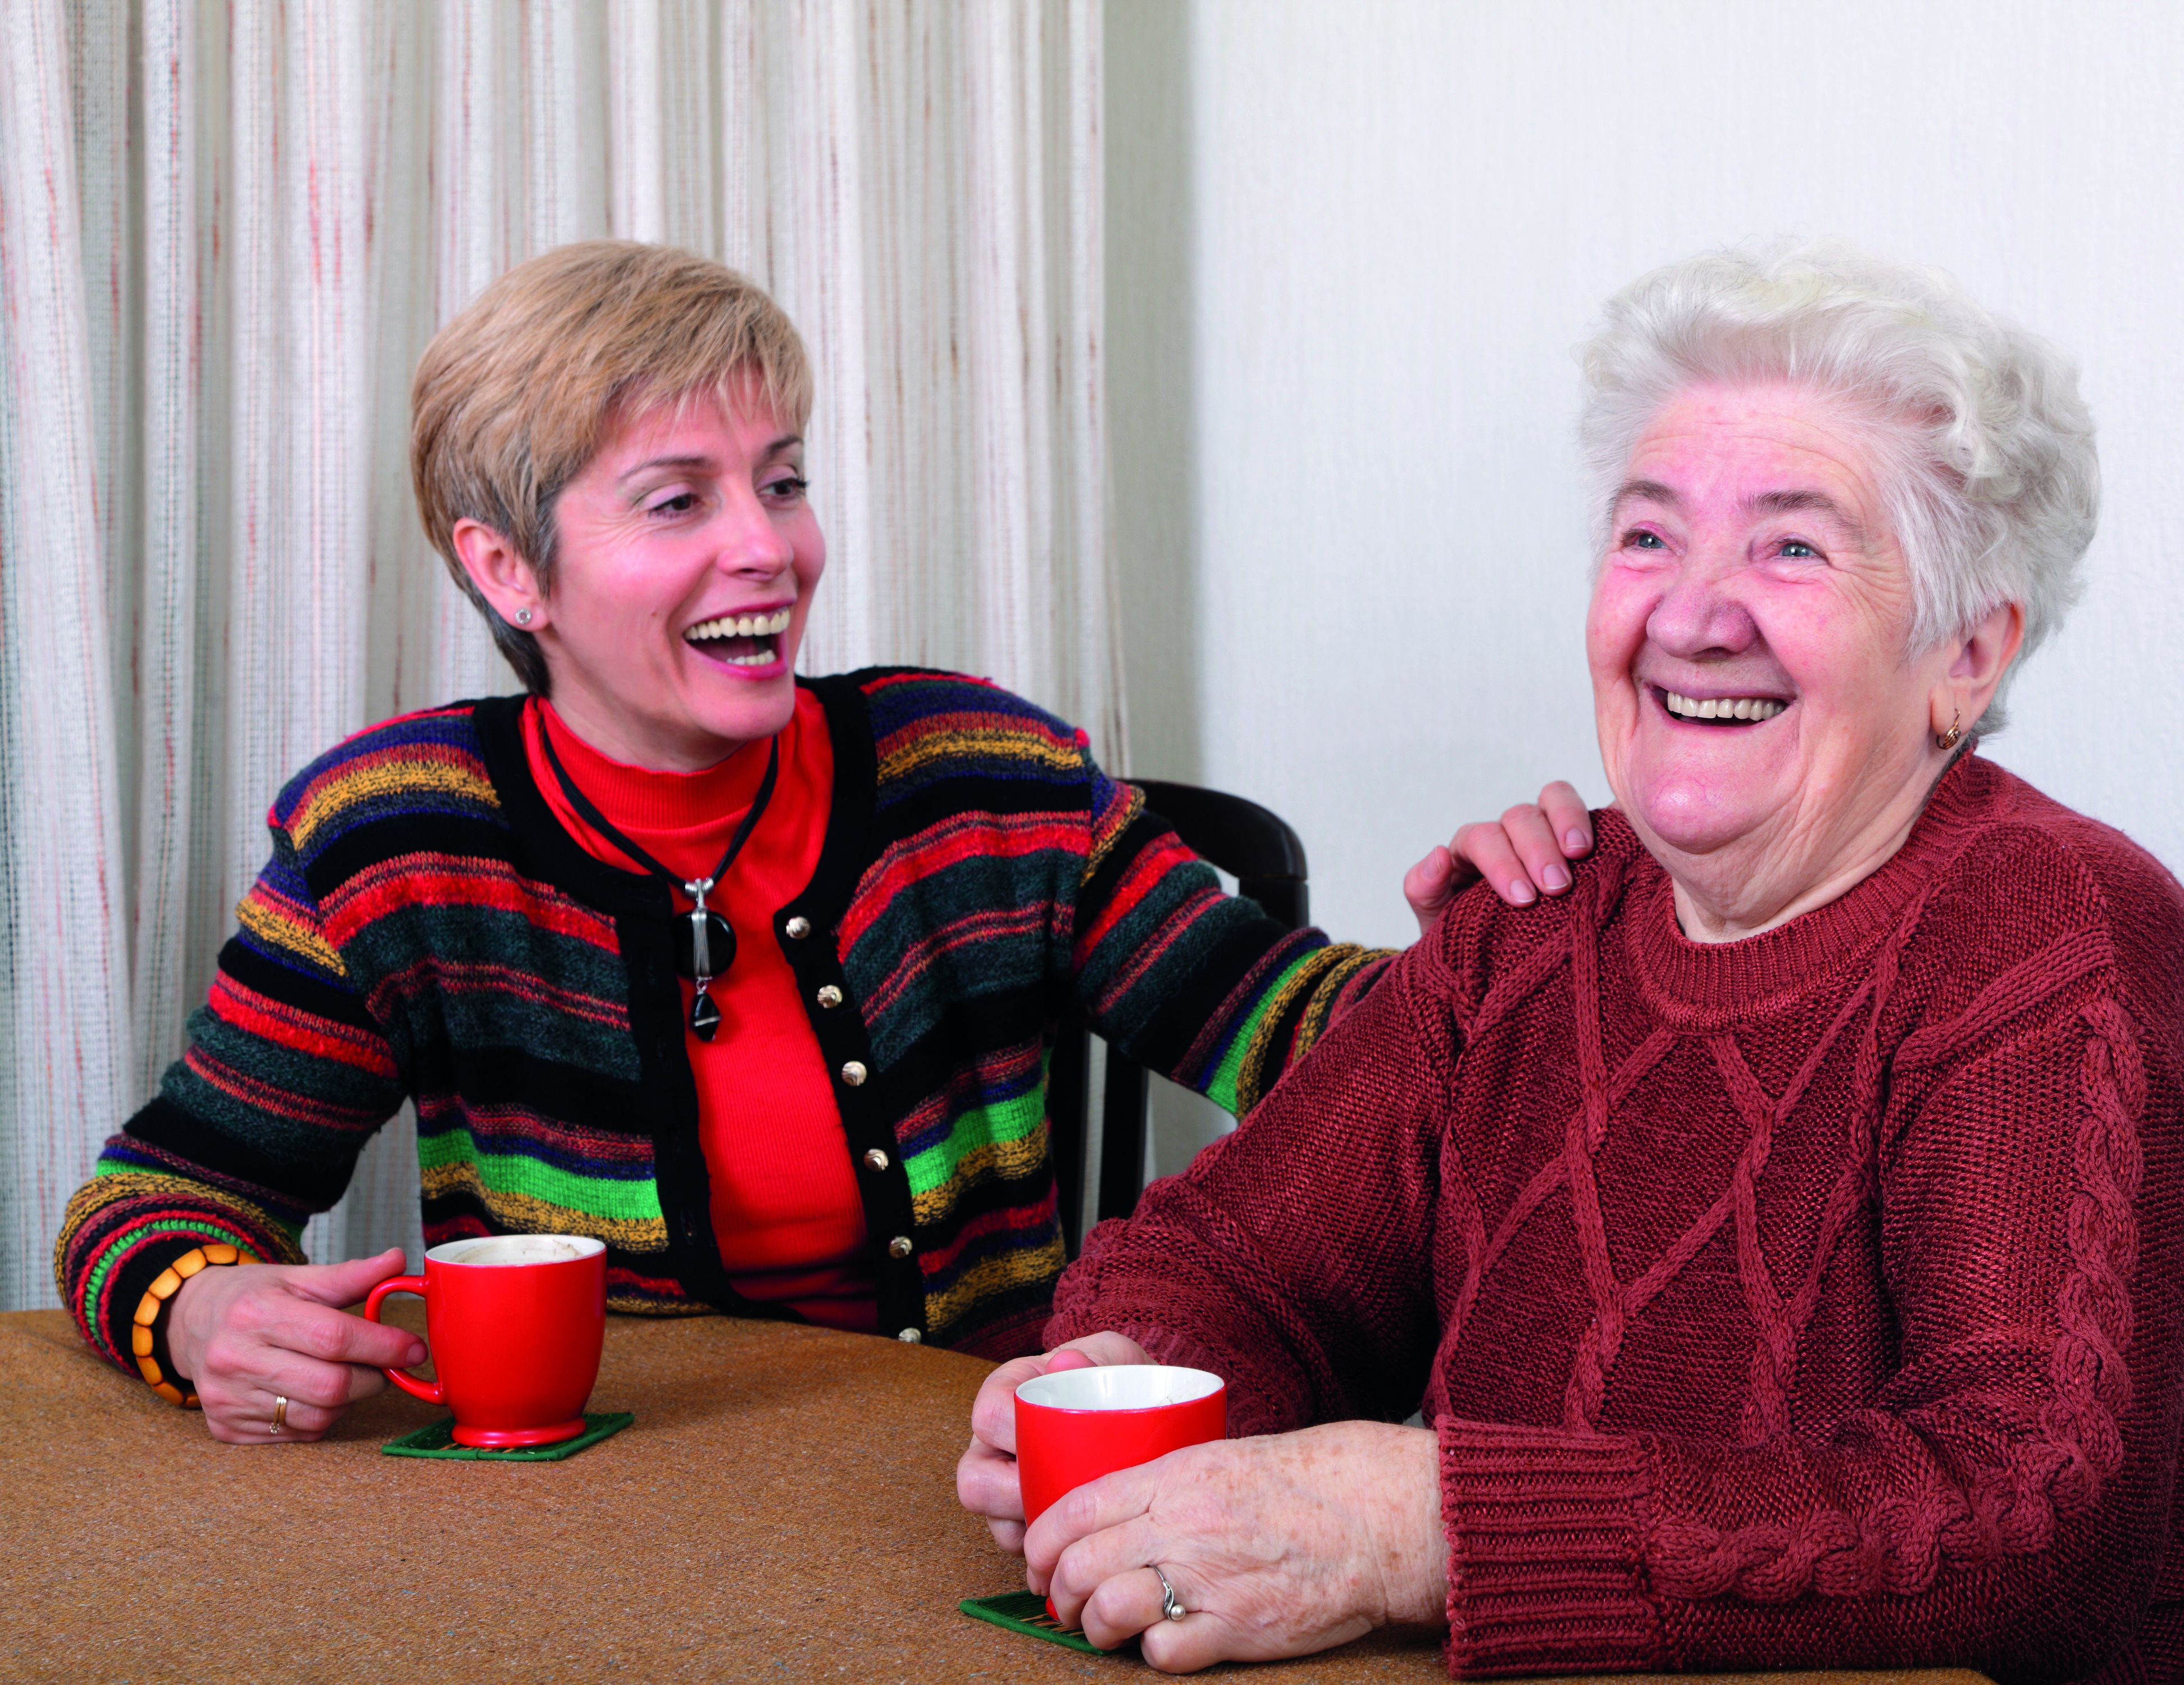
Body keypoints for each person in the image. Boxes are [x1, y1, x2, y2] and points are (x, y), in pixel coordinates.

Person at [958, 242, 2184, 1679]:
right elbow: (1233, 1260)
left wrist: (1422, 1530)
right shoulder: (1530, 911)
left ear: (1968, 653)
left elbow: (2022, 1520)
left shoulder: (2054, 931)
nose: (1690, 615)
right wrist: (1136, 1380)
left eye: (1793, 545)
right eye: (1649, 537)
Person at [52, 240, 1589, 1445]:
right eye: (679, 500)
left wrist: (1499, 946)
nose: (768, 547)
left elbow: (1294, 1035)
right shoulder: (389, 840)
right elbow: (158, 1199)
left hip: (966, 1474)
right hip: (585, 1505)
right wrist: (198, 1313)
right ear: (509, 569)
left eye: (780, 479)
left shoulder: (975, 774)